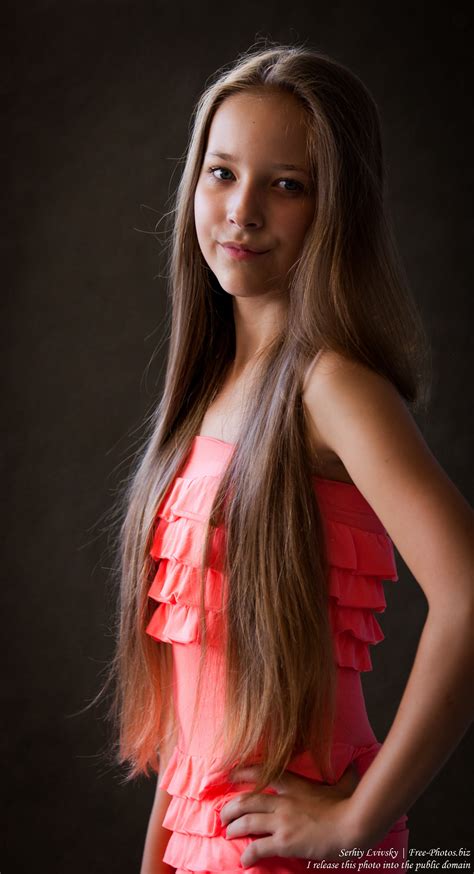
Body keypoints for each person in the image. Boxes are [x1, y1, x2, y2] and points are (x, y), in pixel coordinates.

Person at [102, 42, 474, 873]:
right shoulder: (207, 394)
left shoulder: (332, 387)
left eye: (286, 184)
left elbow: (471, 594)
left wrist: (354, 826)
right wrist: (160, 855)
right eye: (222, 173)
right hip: (206, 841)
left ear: (336, 209)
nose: (241, 212)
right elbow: (199, 705)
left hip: (291, 847)